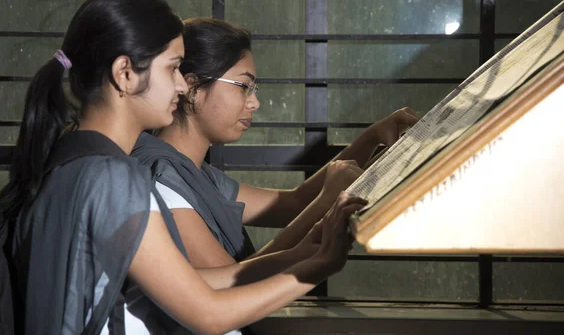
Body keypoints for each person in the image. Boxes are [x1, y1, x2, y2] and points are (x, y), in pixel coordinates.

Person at [0, 0, 365, 335]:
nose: (180, 83)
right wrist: (323, 263)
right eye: (172, 67)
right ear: (125, 73)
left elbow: (188, 284)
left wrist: (308, 250)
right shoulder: (112, 178)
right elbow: (207, 315)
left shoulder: (71, 161)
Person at [132, 18, 419, 270]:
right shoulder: (162, 180)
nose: (254, 102)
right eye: (244, 87)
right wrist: (326, 204)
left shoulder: (196, 175)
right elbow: (234, 285)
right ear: (193, 89)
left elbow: (294, 203)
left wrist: (371, 138)